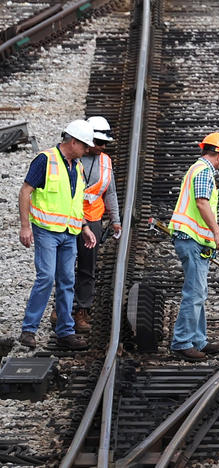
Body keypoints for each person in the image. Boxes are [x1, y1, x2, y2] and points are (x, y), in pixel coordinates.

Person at [18, 120, 97, 350]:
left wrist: (84, 226)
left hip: (69, 233)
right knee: (46, 278)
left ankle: (65, 332)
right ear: (73, 142)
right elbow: (25, 192)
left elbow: (74, 201)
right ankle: (29, 330)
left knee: (67, 282)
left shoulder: (78, 166)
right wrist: (25, 227)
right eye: (85, 146)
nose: (87, 150)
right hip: (47, 232)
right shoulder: (46, 159)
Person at [167, 132, 219, 361]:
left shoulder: (197, 169)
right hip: (190, 239)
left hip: (194, 240)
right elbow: (202, 203)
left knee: (199, 292)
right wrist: (218, 233)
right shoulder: (204, 171)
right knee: (194, 293)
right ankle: (182, 342)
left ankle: (198, 340)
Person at [70, 116, 121, 333]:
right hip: (70, 217)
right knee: (63, 266)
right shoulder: (73, 159)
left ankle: (82, 310)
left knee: (87, 267)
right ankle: (61, 309)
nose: (102, 147)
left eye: (104, 144)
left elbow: (110, 192)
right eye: (99, 143)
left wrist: (116, 220)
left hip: (93, 218)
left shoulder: (105, 161)